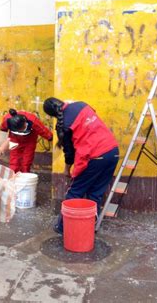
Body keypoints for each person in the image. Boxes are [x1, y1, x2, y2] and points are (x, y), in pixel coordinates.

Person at [43, 97, 119, 234]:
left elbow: (70, 152)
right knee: (96, 194)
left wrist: (67, 169)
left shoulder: (63, 124)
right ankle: (89, 227)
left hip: (94, 156)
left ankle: (62, 228)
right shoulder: (82, 104)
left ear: (51, 115)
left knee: (75, 192)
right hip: (113, 152)